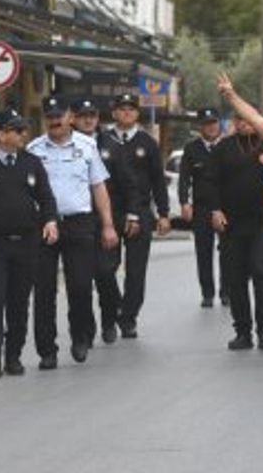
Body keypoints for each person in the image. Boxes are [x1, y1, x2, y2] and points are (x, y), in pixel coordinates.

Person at [27, 97, 118, 370]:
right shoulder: (33, 150)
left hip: (79, 224)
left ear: (70, 116)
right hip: (44, 226)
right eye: (49, 116)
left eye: (59, 115)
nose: (54, 121)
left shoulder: (87, 146)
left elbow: (99, 188)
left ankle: (80, 336)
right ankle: (47, 350)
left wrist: (108, 224)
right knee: (44, 291)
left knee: (79, 285)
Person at [209, 74, 263, 352]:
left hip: (262, 221)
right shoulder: (223, 149)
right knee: (236, 277)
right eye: (239, 119)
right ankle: (243, 331)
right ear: (234, 123)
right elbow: (211, 182)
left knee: (261, 271)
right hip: (232, 223)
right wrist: (215, 209)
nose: (244, 123)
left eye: (248, 118)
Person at [0, 109, 59, 378]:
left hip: (27, 241)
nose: (23, 135)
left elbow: (46, 197)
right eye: (16, 130)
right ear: (1, 134)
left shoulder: (32, 163)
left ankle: (13, 354)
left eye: (23, 129)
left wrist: (50, 220)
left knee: (18, 301)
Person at [95, 93, 171, 341]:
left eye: (131, 109)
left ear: (137, 114)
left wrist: (163, 213)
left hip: (140, 211)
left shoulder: (147, 142)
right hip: (109, 212)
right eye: (121, 108)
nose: (126, 112)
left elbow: (159, 180)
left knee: (136, 271)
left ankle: (128, 318)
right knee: (105, 270)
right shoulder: (102, 140)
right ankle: (115, 304)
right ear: (114, 113)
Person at [179, 107, 223, 308]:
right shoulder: (192, 148)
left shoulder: (228, 145)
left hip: (225, 207)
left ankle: (227, 291)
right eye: (207, 124)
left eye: (214, 123)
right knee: (203, 251)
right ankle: (207, 293)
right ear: (200, 127)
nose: (211, 127)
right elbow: (184, 178)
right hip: (202, 207)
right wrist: (184, 202)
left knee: (228, 251)